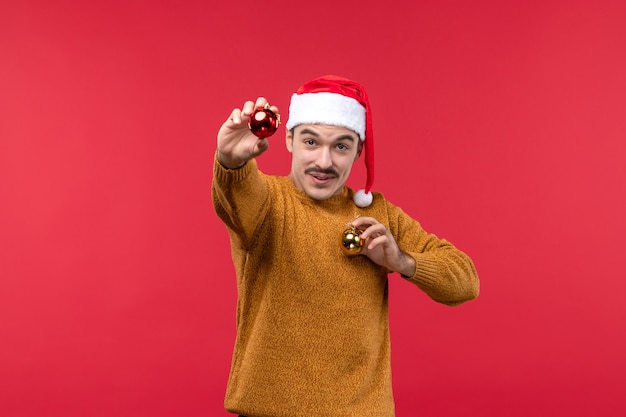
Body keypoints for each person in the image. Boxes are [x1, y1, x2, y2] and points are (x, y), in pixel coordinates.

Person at [211, 75, 479, 417]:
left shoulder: (377, 214)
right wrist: (230, 162)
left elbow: (465, 281)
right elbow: (236, 196)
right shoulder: (268, 204)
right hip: (267, 410)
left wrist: (401, 261)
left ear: (357, 152)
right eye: (311, 142)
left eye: (341, 146)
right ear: (289, 140)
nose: (324, 162)